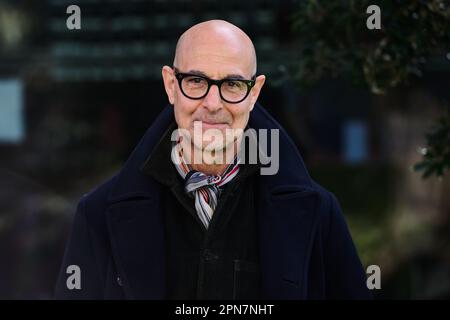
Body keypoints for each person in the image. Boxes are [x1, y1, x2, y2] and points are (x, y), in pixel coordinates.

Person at [55, 20, 371, 299]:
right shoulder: (98, 216)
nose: (212, 103)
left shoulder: (318, 213)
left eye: (232, 85)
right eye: (196, 81)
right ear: (170, 85)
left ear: (254, 92)